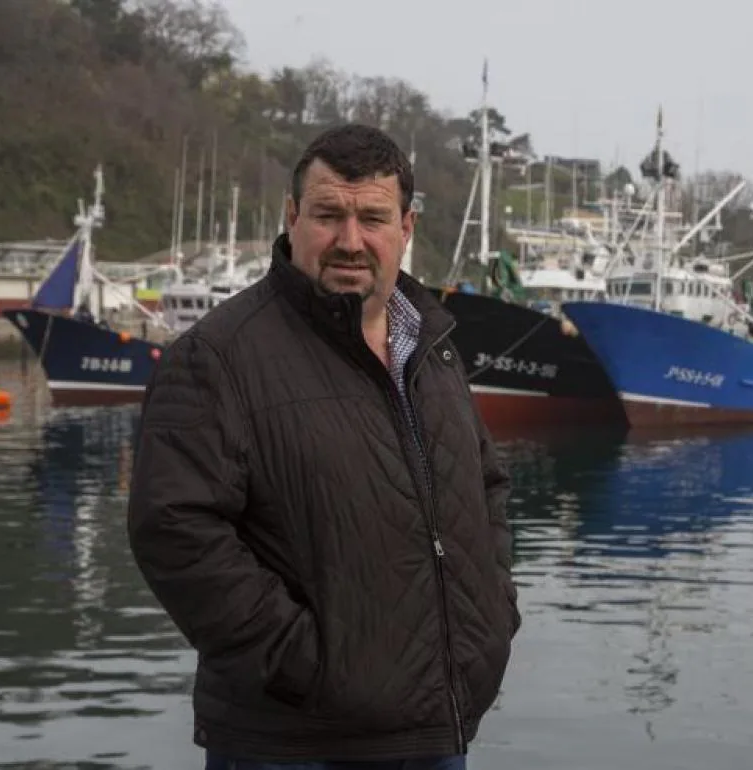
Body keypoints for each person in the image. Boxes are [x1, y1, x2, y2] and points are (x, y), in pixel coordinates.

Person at [127, 123, 520, 770]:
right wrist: (306, 666)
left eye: (372, 217)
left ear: (406, 228)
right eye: (328, 214)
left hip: (435, 733)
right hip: (294, 743)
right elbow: (173, 529)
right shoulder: (219, 356)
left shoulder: (432, 349)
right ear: (292, 217)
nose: (350, 240)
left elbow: (486, 487)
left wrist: (494, 617)